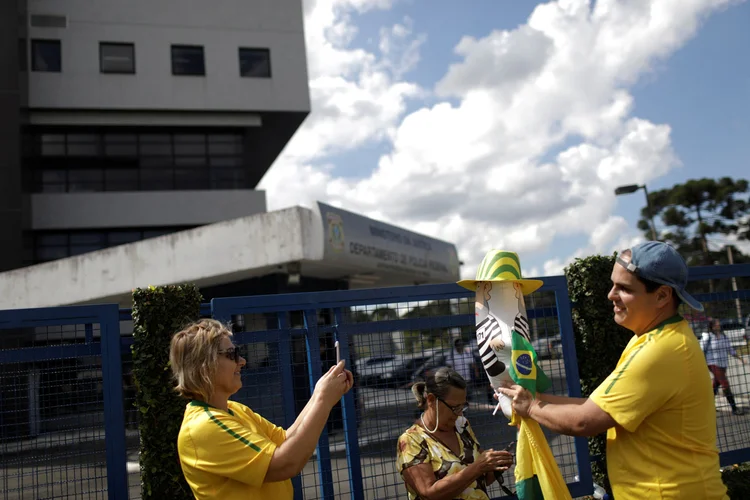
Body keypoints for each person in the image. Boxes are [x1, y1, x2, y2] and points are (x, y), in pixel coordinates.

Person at [498, 241, 728, 499]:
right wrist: (529, 396)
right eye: (613, 284)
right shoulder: (653, 338)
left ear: (662, 296)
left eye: (624, 288)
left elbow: (585, 420)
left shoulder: (661, 350)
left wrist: (530, 408)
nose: (610, 295)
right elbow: (594, 406)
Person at [169, 319, 353, 499]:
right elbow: (285, 464)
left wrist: (319, 395)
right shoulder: (205, 426)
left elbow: (284, 440)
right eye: (232, 354)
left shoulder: (233, 409)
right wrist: (323, 400)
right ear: (205, 365)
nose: (242, 361)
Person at [396, 366, 514, 500]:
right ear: (431, 400)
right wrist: (478, 467)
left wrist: (495, 465)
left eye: (462, 406)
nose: (459, 413)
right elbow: (429, 493)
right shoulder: (411, 440)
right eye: (454, 407)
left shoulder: (462, 425)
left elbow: (479, 481)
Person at [701, 318, 747, 415]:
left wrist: (740, 358)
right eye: (716, 324)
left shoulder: (723, 336)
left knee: (716, 385)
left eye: (718, 324)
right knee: (725, 384)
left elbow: (730, 349)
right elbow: (701, 350)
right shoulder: (708, 337)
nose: (718, 326)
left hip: (723, 364)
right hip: (712, 363)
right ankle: (734, 408)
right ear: (712, 326)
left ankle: (707, 406)